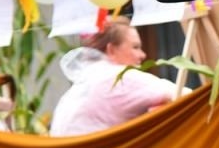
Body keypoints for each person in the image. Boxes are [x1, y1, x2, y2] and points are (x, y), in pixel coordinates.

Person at [49, 21, 180, 137]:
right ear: (111, 50)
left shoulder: (85, 81)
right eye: (135, 47)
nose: (143, 55)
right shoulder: (118, 76)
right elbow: (181, 93)